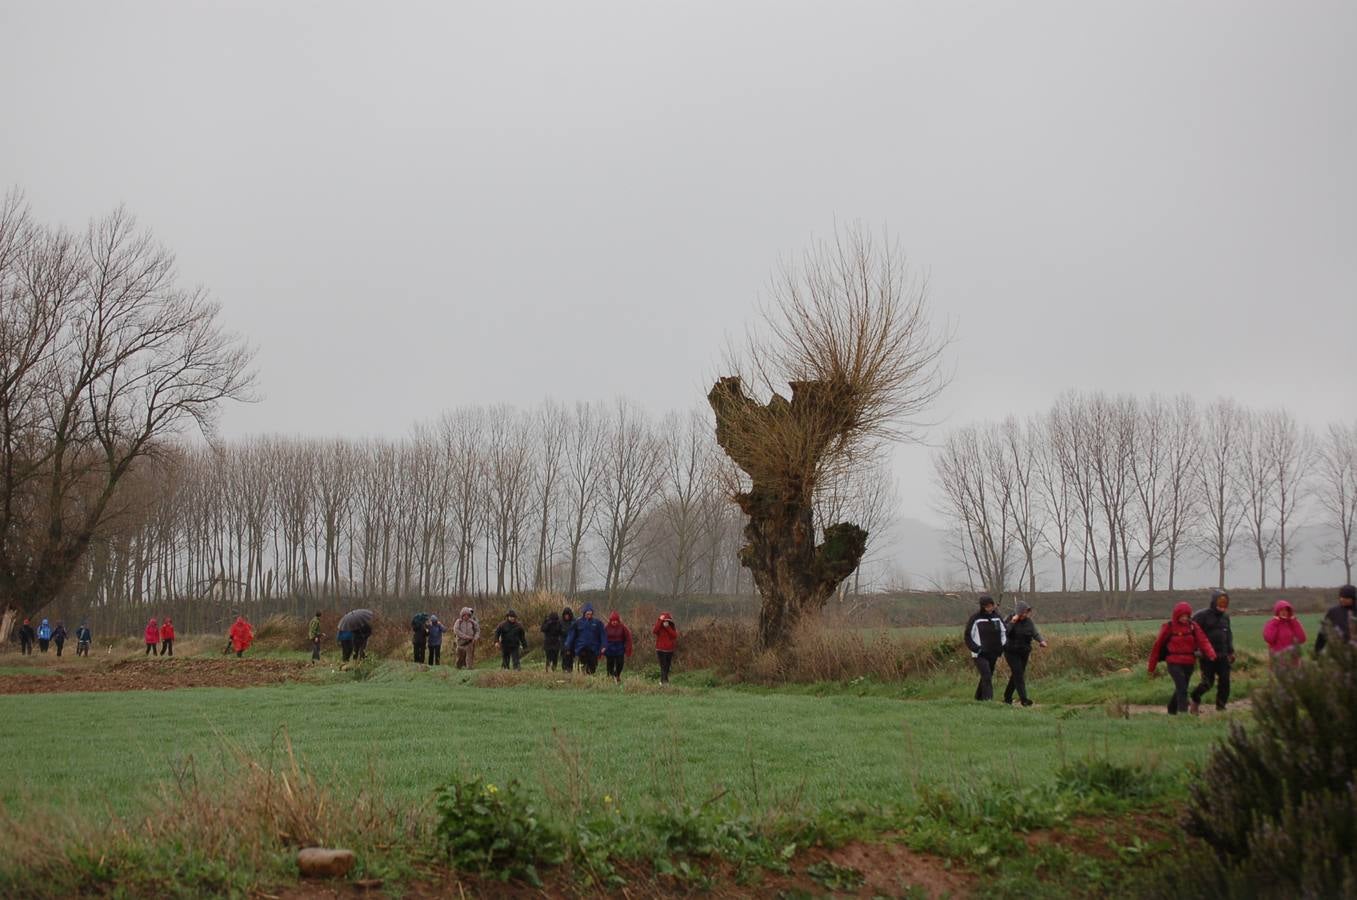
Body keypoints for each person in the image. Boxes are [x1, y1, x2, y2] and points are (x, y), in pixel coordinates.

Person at [1149, 602, 1217, 715]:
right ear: (1177, 615)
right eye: (1182, 616)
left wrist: (1211, 654)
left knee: (1182, 687)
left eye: (1187, 615)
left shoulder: (1193, 626)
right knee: (1182, 687)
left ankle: (1171, 708)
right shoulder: (1169, 627)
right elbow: (1157, 646)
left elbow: (1203, 640)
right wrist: (1151, 667)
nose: (1185, 618)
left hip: (1189, 663)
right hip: (1173, 662)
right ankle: (1183, 713)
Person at [1190, 590, 1235, 713]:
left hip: (1223, 656)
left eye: (1225, 603)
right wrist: (1196, 650)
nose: (1222, 605)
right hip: (1207, 656)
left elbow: (1228, 636)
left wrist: (1231, 652)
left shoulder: (1226, 618)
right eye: (1220, 602)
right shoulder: (1202, 616)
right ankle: (1195, 699)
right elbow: (1192, 633)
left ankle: (1221, 707)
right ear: (1214, 602)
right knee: (1207, 683)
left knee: (1225, 682)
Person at [1002, 602, 1046, 706]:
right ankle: (1024, 700)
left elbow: (1034, 632)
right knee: (1018, 674)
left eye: (1027, 612)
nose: (1026, 615)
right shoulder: (1009, 619)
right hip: (1011, 651)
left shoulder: (1028, 622)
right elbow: (1005, 632)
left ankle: (1007, 697)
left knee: (1017, 674)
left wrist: (1041, 641)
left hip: (1024, 652)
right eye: (1024, 613)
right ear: (1018, 612)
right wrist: (1013, 622)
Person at [964, 596, 1007, 701]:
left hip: (993, 652)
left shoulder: (997, 617)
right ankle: (988, 699)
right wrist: (976, 649)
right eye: (987, 606)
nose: (990, 608)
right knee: (986, 674)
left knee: (987, 675)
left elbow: (1004, 632)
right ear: (983, 607)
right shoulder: (975, 618)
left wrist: (1002, 647)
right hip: (979, 654)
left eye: (991, 605)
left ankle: (978, 698)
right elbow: (968, 636)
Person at [1314, 584, 1357, 654]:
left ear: (1353, 599)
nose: (1342, 599)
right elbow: (1323, 632)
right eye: (1341, 597)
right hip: (1340, 653)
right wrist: (1317, 651)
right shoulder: (1333, 612)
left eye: (1345, 598)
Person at [1262, 600, 1307, 666]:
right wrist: (1275, 622)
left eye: (1286, 610)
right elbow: (1269, 639)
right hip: (1278, 662)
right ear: (1277, 611)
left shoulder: (1293, 623)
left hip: (1293, 662)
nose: (1284, 612)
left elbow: (1302, 639)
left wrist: (1294, 622)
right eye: (1281, 610)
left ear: (1289, 612)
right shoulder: (1271, 623)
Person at [566, 604, 604, 675]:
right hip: (581, 647)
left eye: (590, 614)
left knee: (592, 666)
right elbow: (571, 635)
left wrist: (603, 645)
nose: (589, 615)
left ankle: (590, 676)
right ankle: (584, 677)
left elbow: (602, 635)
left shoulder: (597, 623)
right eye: (587, 614)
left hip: (593, 648)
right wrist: (568, 645)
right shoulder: (578, 622)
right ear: (584, 613)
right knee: (583, 665)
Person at [603, 612, 634, 683]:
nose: (614, 622)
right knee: (610, 664)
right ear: (610, 621)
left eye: (615, 620)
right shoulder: (606, 627)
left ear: (618, 620)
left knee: (620, 663)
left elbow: (628, 638)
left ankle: (616, 675)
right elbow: (603, 638)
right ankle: (610, 678)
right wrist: (602, 647)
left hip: (619, 648)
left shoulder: (623, 627)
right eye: (613, 621)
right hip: (609, 648)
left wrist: (628, 648)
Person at [653, 612, 679, 686]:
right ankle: (663, 682)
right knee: (663, 666)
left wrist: (668, 627)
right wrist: (659, 621)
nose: (665, 622)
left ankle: (664, 681)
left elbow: (674, 635)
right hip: (660, 649)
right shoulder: (659, 626)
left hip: (669, 650)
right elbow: (654, 631)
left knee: (667, 666)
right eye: (664, 620)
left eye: (666, 621)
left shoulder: (671, 627)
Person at [559, 607, 576, 672]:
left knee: (570, 657)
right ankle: (564, 669)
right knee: (564, 657)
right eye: (565, 615)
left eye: (567, 615)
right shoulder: (561, 622)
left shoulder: (573, 621)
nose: (566, 616)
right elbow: (558, 631)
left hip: (571, 642)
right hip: (563, 641)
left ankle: (569, 670)